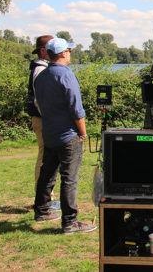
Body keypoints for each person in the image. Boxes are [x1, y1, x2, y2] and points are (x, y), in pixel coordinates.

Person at [33, 38, 97, 234]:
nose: (70, 53)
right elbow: (76, 108)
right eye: (68, 50)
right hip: (67, 135)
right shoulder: (66, 75)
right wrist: (83, 133)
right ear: (62, 53)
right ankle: (70, 221)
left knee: (47, 173)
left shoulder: (41, 76)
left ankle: (42, 210)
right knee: (69, 178)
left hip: (50, 132)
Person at [27, 35, 61, 211]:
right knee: (44, 159)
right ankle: (43, 199)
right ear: (42, 51)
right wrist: (50, 118)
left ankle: (46, 197)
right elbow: (39, 100)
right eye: (50, 48)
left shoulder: (43, 67)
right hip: (43, 119)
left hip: (44, 119)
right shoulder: (40, 69)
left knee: (48, 158)